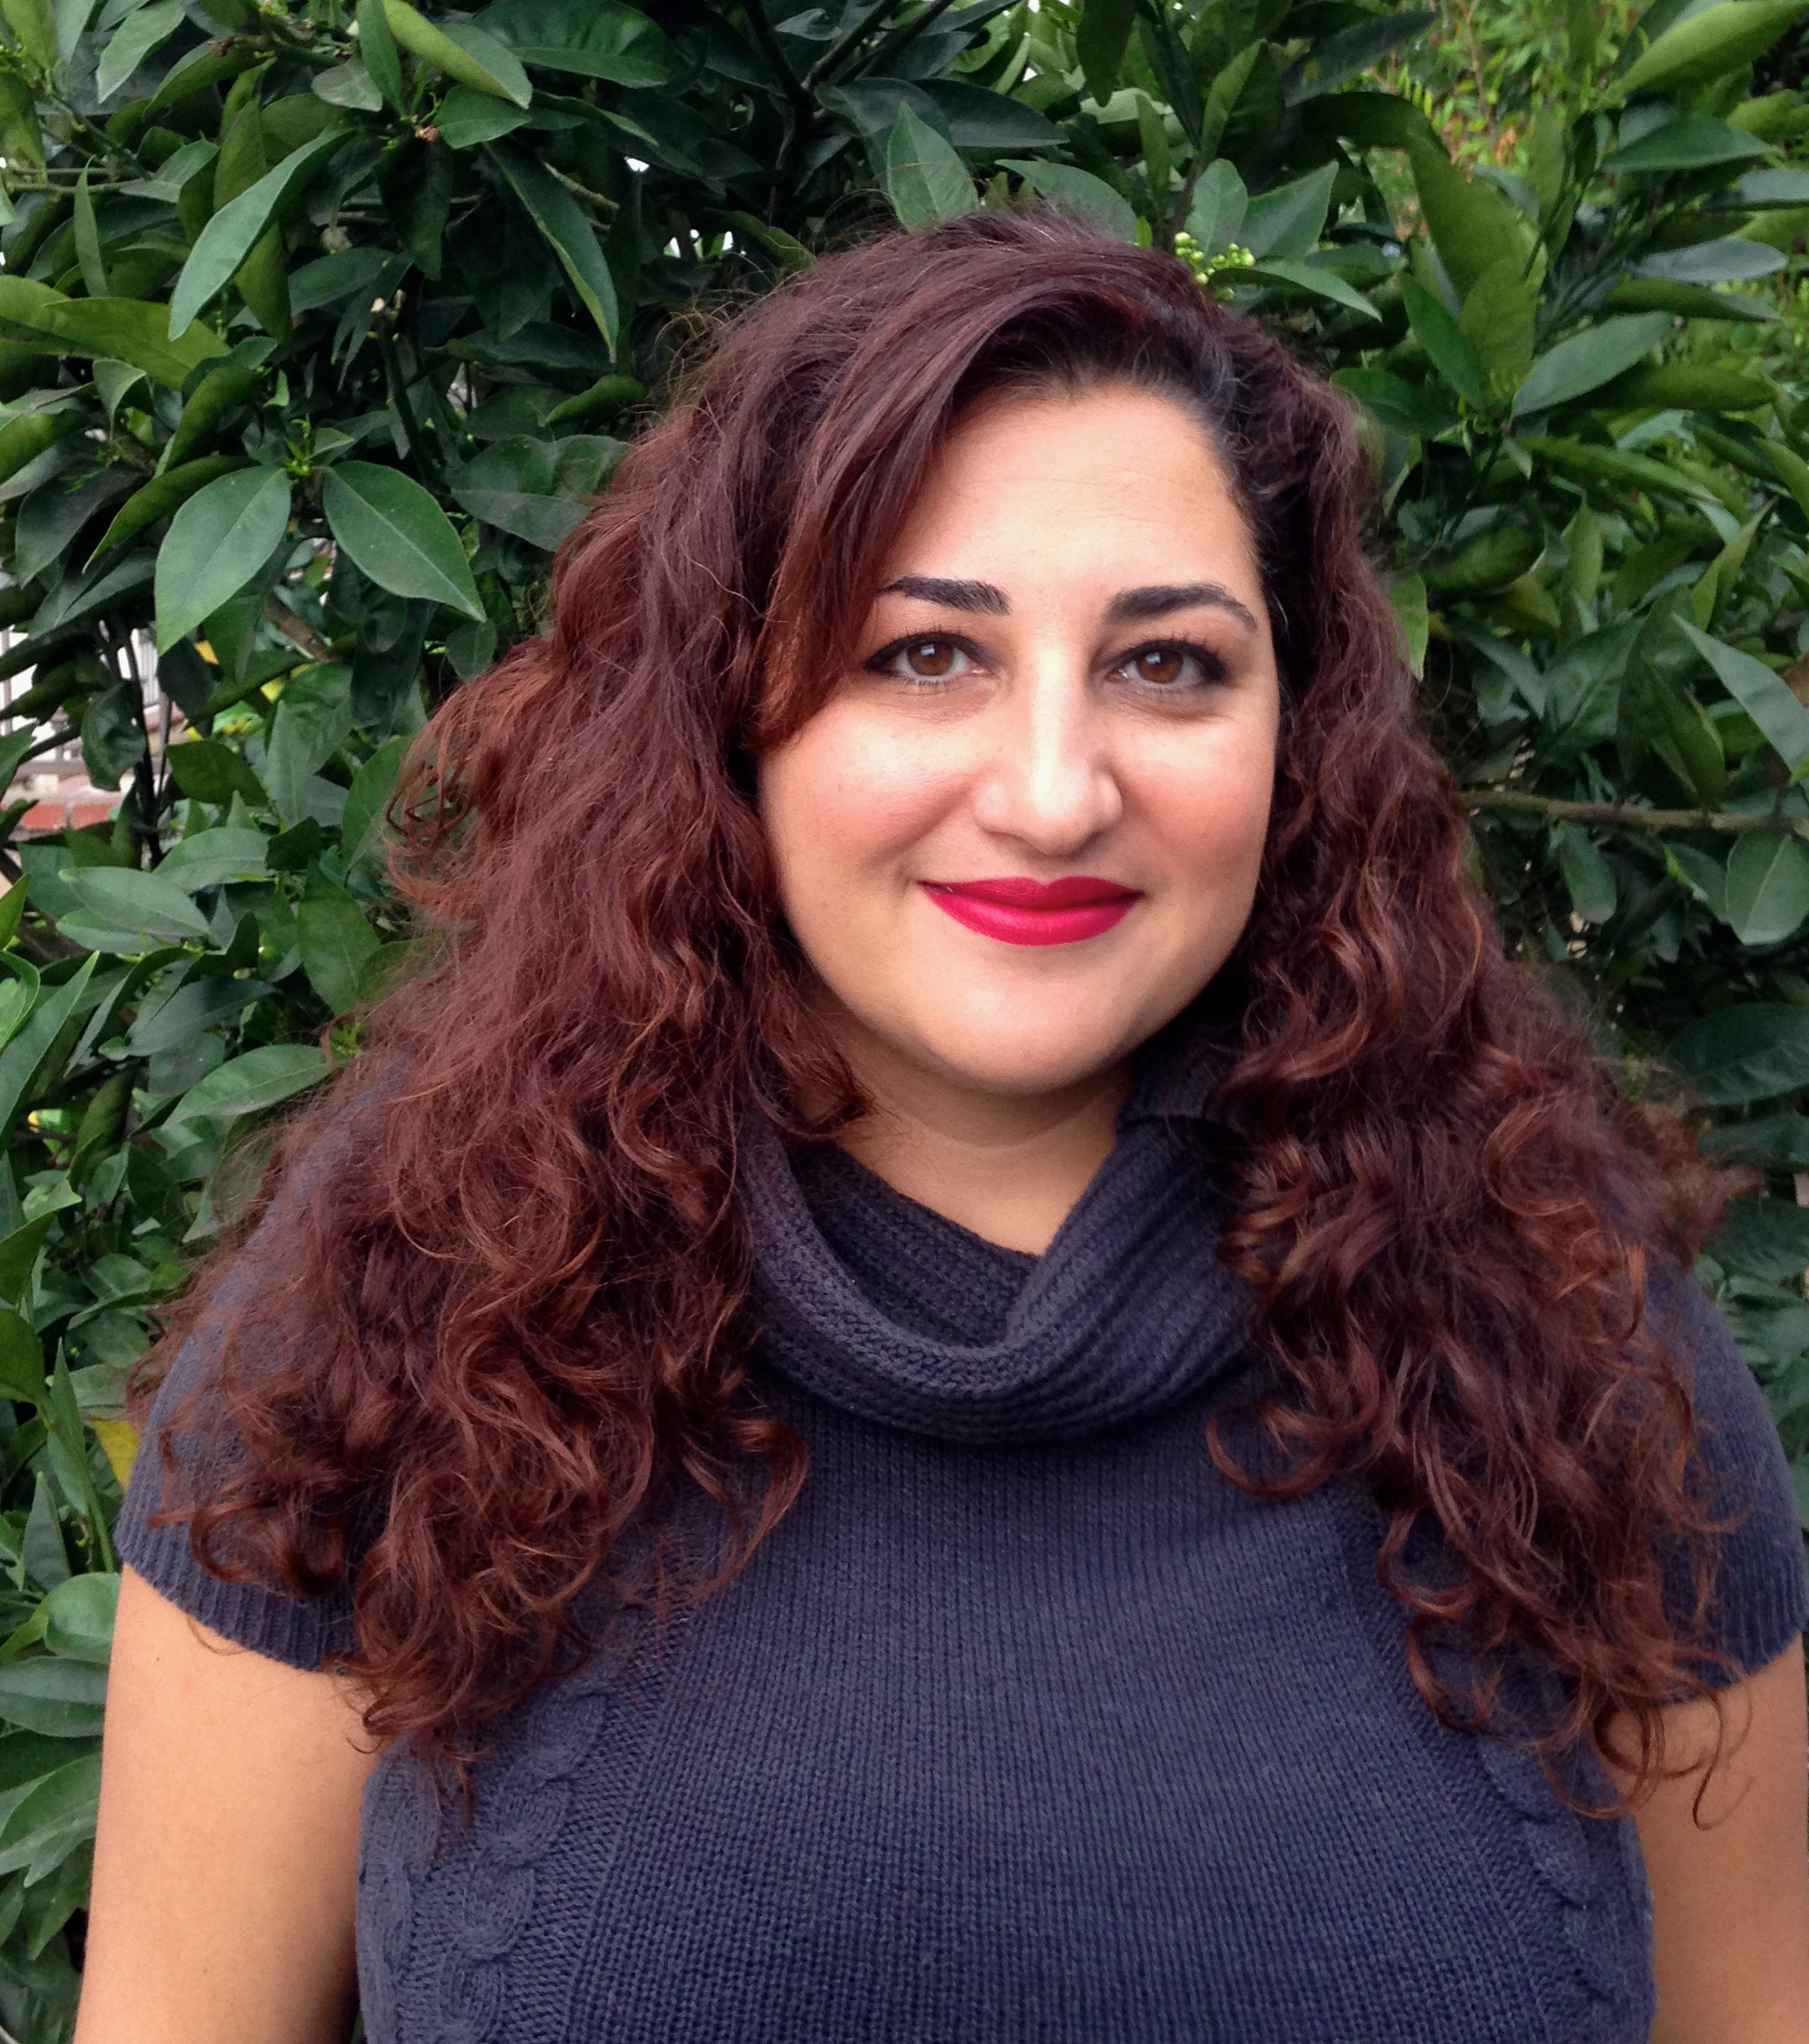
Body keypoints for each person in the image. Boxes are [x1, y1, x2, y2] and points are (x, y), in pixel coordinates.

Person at [76, 209, 1808, 2044]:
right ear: (732, 715)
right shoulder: (405, 1299)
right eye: (923, 655)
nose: (1052, 793)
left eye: (1167, 663)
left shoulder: (1557, 1323)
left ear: (1298, 740)